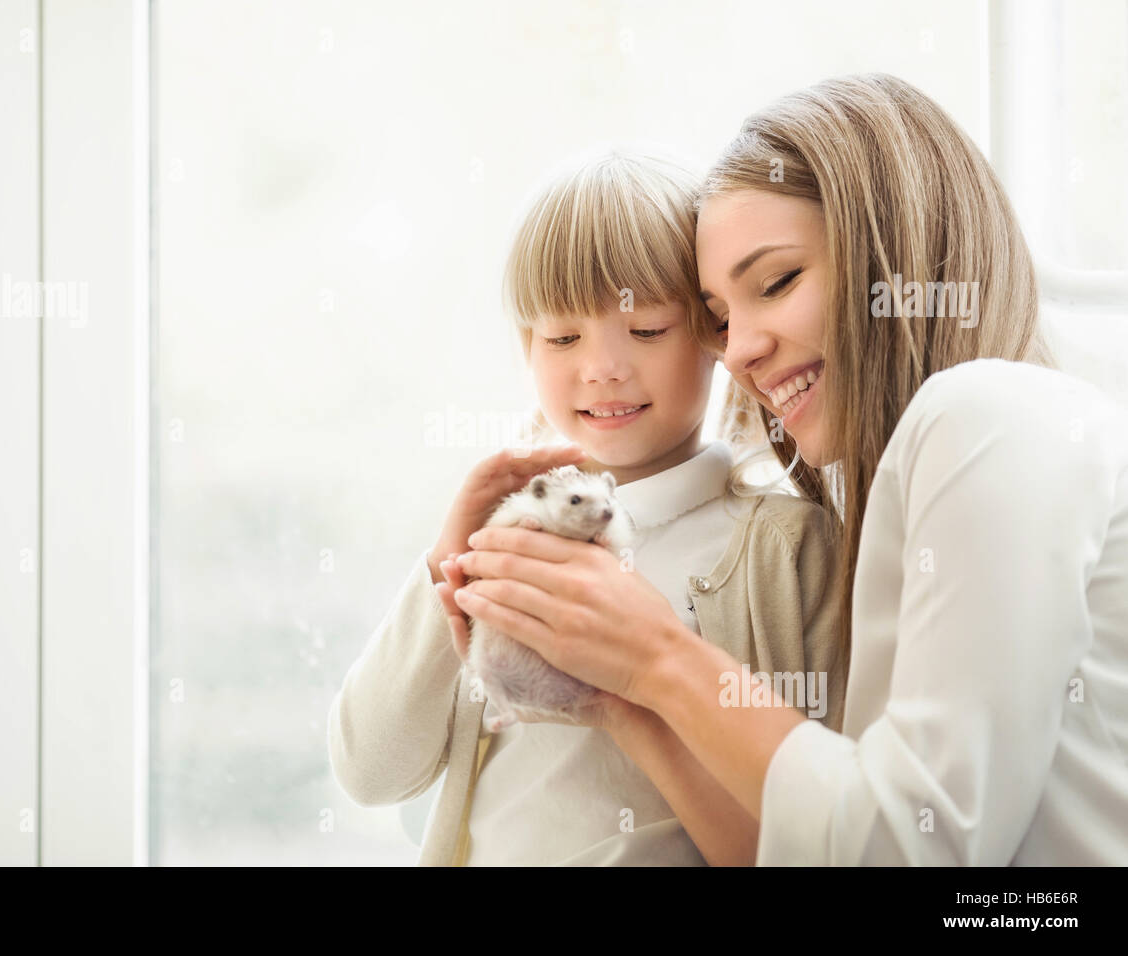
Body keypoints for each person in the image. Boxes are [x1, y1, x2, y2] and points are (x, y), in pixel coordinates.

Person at [442, 73, 1128, 865]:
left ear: (899, 252)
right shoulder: (916, 493)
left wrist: (659, 657)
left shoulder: (988, 412)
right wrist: (624, 698)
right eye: (723, 319)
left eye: (777, 283)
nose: (738, 351)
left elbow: (910, 851)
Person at [329, 146, 848, 866]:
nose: (601, 367)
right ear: (526, 348)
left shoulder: (787, 550)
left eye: (646, 330)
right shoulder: (503, 544)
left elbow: (830, 826)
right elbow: (372, 770)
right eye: (563, 336)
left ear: (713, 336)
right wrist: (446, 564)